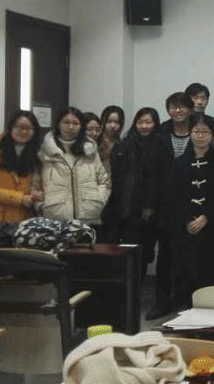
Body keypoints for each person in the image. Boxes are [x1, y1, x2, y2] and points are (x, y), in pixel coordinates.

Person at [167, 114, 214, 311]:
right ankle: (187, 309)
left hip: (212, 224)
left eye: (205, 132)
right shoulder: (179, 163)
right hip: (186, 226)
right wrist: (188, 219)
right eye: (196, 131)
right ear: (190, 133)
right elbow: (173, 194)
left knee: (211, 270)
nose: (201, 136)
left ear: (211, 135)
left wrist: (205, 217)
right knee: (186, 270)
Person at [103, 107, 163, 278]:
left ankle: (139, 288)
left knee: (143, 254)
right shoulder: (124, 144)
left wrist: (150, 205)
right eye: (140, 122)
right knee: (122, 253)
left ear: (155, 124)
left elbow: (160, 179)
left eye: (148, 122)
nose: (144, 126)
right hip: (124, 207)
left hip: (149, 210)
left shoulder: (160, 145)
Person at [38, 106, 110, 225]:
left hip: (89, 219)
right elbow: (35, 184)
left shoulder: (90, 151)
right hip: (55, 219)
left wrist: (99, 202)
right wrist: (41, 206)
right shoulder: (46, 150)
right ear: (58, 124)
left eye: (75, 123)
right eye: (66, 122)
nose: (70, 127)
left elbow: (104, 182)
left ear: (81, 126)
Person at [0, 110, 43, 223]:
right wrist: (19, 199)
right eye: (19, 127)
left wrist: (37, 194)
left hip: (23, 223)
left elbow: (38, 188)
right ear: (10, 128)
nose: (23, 131)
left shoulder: (37, 157)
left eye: (28, 128)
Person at [98, 105, 124, 174]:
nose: (113, 126)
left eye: (116, 122)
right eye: (109, 122)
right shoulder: (97, 141)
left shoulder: (122, 144)